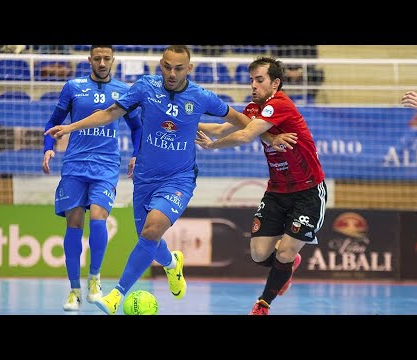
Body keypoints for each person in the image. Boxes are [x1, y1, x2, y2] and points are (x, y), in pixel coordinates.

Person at [44, 45, 274, 315]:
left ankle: (116, 295)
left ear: (189, 69)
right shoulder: (145, 87)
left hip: (179, 179)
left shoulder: (200, 96)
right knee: (149, 239)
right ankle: (172, 264)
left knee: (152, 231)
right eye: (167, 67)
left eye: (179, 68)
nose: (172, 73)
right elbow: (109, 114)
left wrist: (271, 137)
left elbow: (241, 120)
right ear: (160, 65)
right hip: (144, 178)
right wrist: (70, 127)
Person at [196, 56, 327, 315]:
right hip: (277, 191)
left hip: (307, 191)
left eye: (259, 80)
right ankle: (287, 265)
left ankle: (262, 304)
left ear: (275, 83)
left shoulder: (279, 104)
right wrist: (188, 125)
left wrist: (211, 146)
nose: (253, 85)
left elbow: (244, 135)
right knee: (259, 254)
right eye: (251, 80)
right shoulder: (255, 109)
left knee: (286, 251)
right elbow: (223, 127)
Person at [41, 45, 142, 312]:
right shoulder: (73, 87)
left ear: (113, 60)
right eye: (97, 58)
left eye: (106, 58)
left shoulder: (124, 91)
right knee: (74, 224)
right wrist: (48, 148)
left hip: (106, 166)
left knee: (99, 217)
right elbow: (52, 124)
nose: (101, 62)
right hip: (75, 165)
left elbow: (137, 127)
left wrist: (136, 154)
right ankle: (74, 290)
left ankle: (95, 281)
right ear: (89, 60)